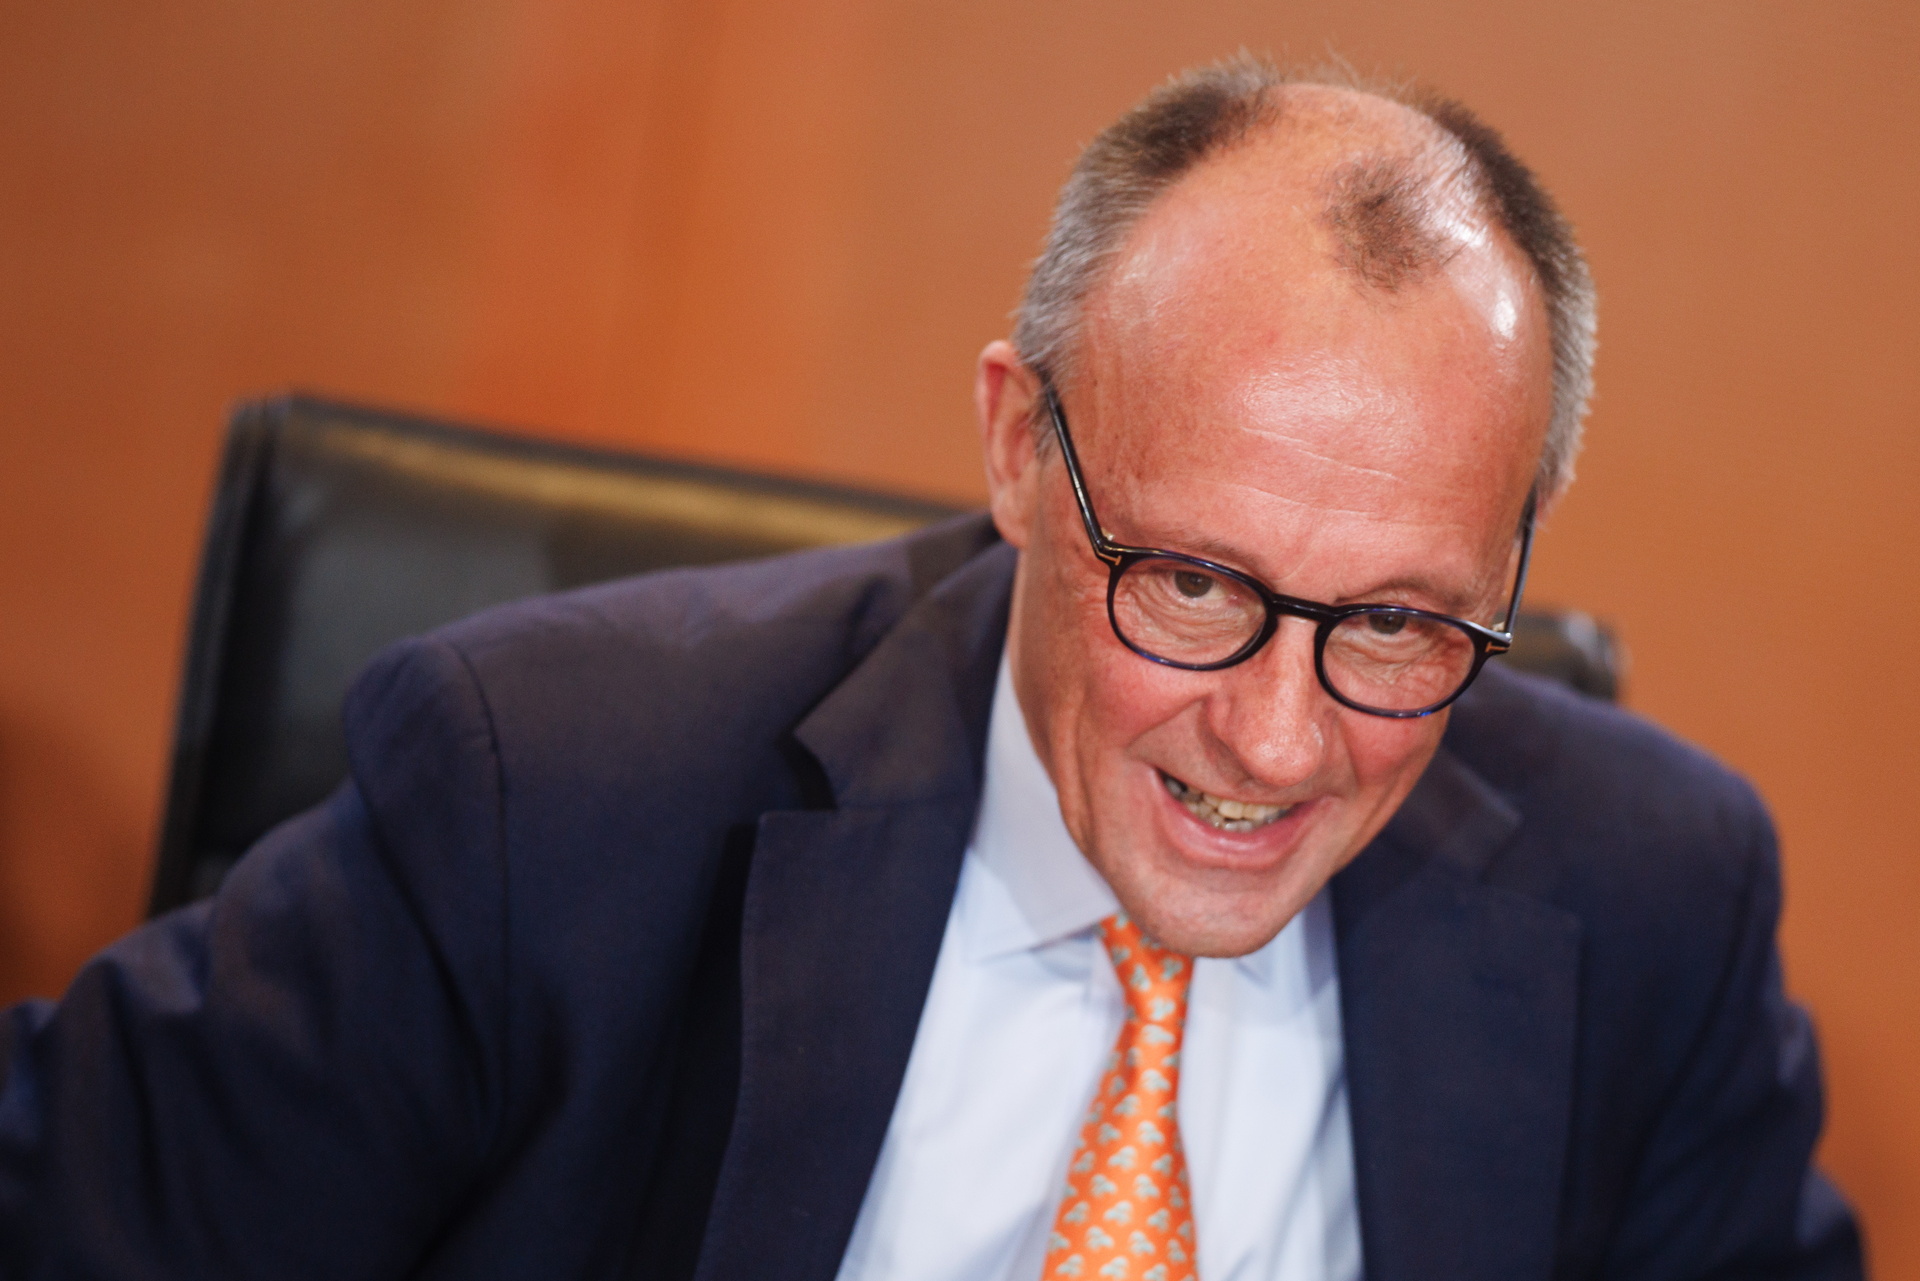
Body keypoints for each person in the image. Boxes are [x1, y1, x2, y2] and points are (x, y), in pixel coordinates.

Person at [0, 56, 1861, 1281]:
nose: (1280, 740)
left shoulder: (1654, 898)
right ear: (1019, 448)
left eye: (1395, 620)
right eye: (1191, 582)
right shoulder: (548, 796)